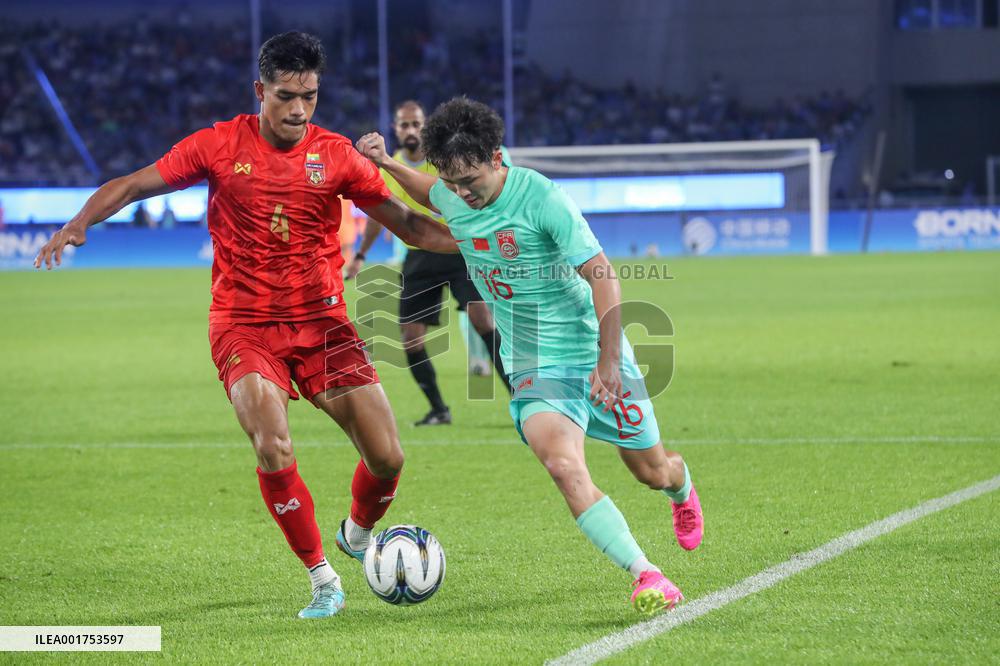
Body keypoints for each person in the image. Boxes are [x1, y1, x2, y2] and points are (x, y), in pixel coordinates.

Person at [34, 32, 458, 620]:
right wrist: (80, 222)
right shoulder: (217, 144)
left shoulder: (336, 154)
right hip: (244, 324)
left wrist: (484, 245)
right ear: (260, 90)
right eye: (286, 95)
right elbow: (133, 185)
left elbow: (410, 227)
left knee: (387, 458)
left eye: (309, 95)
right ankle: (323, 579)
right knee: (273, 441)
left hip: (324, 324)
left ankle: (357, 536)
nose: (299, 109)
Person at [356, 97, 704, 615]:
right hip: (533, 364)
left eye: (470, 180)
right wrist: (383, 165)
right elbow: (427, 201)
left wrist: (608, 362)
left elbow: (604, 276)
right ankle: (647, 573)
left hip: (591, 351)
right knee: (564, 466)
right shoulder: (454, 192)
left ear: (498, 157)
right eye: (451, 183)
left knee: (651, 470)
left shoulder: (543, 198)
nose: (461, 194)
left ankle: (681, 488)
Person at [346, 100, 510, 426]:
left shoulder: (443, 160)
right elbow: (380, 218)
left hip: (458, 248)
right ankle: (439, 408)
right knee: (410, 337)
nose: (410, 130)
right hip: (419, 256)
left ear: (425, 126)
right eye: (404, 125)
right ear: (395, 128)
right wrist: (361, 255)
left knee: (483, 320)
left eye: (416, 124)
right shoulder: (388, 167)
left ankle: (521, 399)